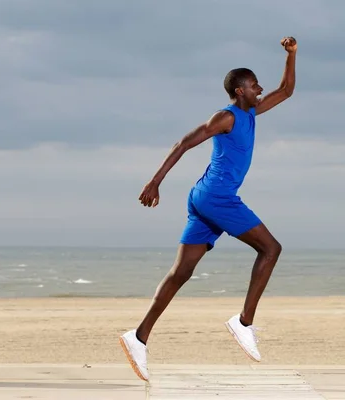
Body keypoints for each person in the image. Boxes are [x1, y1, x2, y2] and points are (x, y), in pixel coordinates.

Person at [119, 36, 297, 382]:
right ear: (240, 91)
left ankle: (138, 337)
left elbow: (286, 90)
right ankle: (243, 322)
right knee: (271, 249)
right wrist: (155, 181)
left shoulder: (252, 113)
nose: (260, 88)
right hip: (216, 198)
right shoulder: (226, 117)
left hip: (204, 198)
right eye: (253, 84)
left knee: (181, 272)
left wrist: (292, 55)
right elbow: (184, 142)